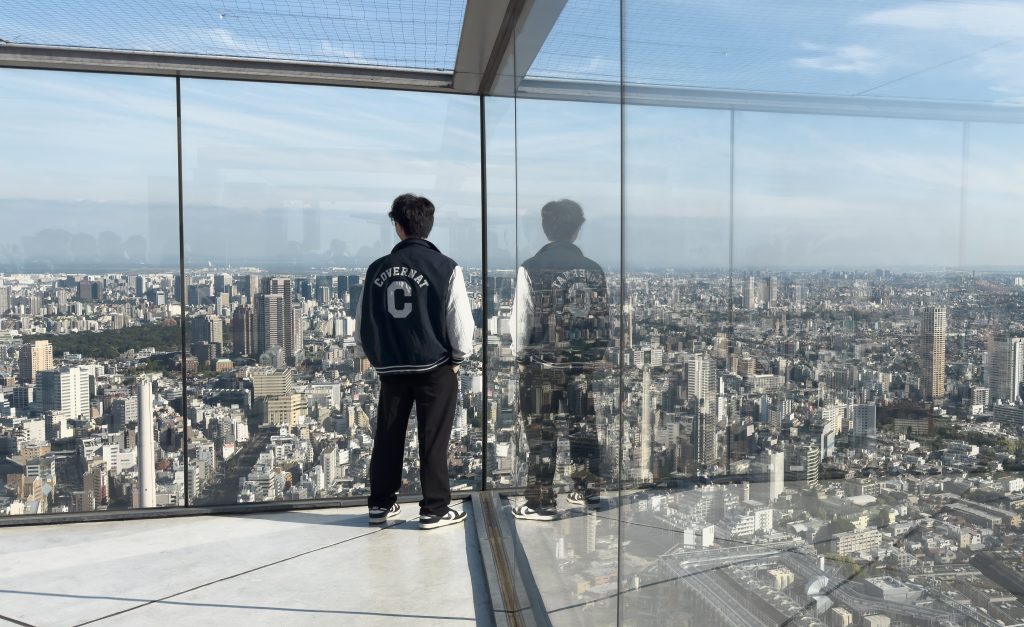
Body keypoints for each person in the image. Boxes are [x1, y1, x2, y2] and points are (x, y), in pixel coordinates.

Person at [355, 194, 474, 529]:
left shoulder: (375, 269)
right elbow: (461, 327)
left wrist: (381, 359)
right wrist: (457, 359)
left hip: (392, 369)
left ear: (398, 226)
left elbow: (362, 329)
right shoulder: (446, 267)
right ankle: (434, 509)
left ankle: (380, 504)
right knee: (434, 438)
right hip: (436, 368)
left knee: (388, 436)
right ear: (429, 225)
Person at [511, 199, 610, 521]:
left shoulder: (531, 267)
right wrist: (594, 357)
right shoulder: (593, 270)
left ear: (545, 227)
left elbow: (521, 320)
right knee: (583, 429)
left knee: (541, 433)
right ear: (578, 230)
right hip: (580, 365)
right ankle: (589, 491)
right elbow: (602, 319)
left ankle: (542, 502)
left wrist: (522, 357)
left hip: (542, 365)